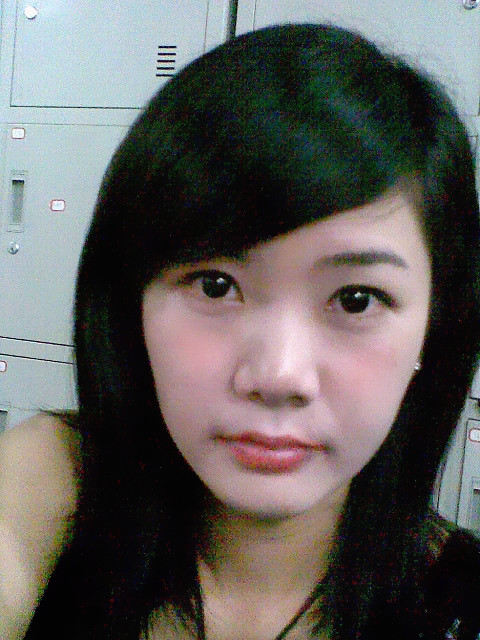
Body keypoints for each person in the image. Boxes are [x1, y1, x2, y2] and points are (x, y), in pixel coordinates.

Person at [1, 22, 480, 640]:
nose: (278, 376)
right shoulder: (52, 482)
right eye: (215, 286)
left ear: (433, 330)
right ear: (130, 307)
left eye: (356, 299)